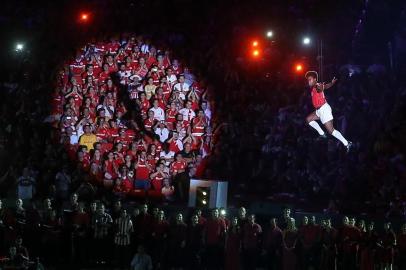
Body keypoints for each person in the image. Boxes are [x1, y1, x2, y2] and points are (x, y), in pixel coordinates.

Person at [304, 71, 352, 152]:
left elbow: (323, 87)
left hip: (324, 110)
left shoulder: (317, 86)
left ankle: (347, 143)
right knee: (308, 119)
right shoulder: (314, 87)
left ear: (315, 79)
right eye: (308, 80)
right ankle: (322, 134)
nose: (309, 81)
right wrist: (330, 83)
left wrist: (327, 85)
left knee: (331, 131)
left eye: (310, 79)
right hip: (318, 110)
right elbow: (324, 86)